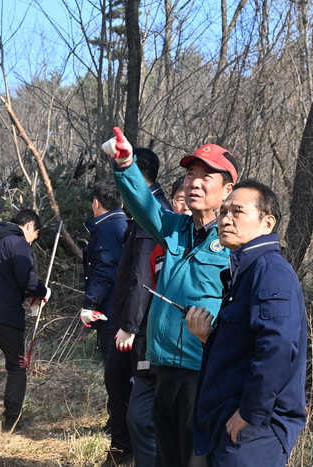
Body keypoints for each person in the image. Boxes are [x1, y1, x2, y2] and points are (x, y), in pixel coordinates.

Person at [102, 128, 237, 467]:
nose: (194, 183)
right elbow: (142, 203)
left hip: (203, 373)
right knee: (167, 457)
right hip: (164, 368)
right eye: (190, 174)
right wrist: (126, 165)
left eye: (206, 177)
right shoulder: (175, 228)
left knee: (194, 460)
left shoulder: (234, 243)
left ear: (227, 190)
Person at [185, 180, 306, 467]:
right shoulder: (245, 271)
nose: (225, 219)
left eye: (237, 211)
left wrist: (251, 411)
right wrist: (210, 337)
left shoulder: (270, 271)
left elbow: (278, 348)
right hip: (232, 423)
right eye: (223, 212)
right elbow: (247, 346)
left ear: (267, 223)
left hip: (254, 431)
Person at [102, 149, 170, 466]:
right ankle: (121, 452)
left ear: (138, 177)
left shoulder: (150, 216)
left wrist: (129, 326)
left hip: (141, 329)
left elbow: (143, 276)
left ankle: (132, 455)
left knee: (140, 405)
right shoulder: (141, 214)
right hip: (134, 325)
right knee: (117, 384)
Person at [125, 175, 190, 467]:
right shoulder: (158, 247)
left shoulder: (221, 245)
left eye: (188, 201)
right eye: (179, 200)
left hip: (191, 359)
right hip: (153, 350)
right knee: (139, 416)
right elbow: (144, 289)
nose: (185, 206)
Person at [0, 209, 51, 431]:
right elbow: (26, 279)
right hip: (7, 317)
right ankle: (12, 420)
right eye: (34, 237)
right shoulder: (18, 243)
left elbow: (1, 279)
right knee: (16, 367)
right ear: (29, 225)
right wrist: (42, 291)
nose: (31, 242)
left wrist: (27, 292)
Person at [81, 181, 128, 363]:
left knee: (114, 369)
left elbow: (106, 269)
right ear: (121, 204)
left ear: (97, 203)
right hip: (122, 309)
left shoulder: (108, 228)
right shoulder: (125, 223)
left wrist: (89, 304)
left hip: (112, 311)